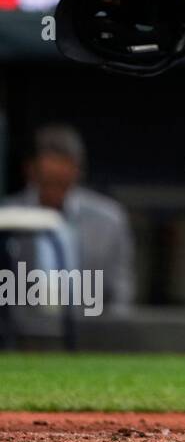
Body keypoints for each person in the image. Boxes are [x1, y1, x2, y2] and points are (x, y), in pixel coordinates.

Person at [3, 124, 135, 312]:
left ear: (76, 172)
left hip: (89, 335)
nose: (53, 192)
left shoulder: (108, 222)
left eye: (61, 183)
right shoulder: (7, 217)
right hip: (19, 335)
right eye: (46, 182)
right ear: (30, 171)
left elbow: (120, 296)